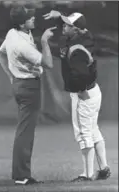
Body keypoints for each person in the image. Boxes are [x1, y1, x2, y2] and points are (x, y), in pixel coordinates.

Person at [43, 10, 111, 182]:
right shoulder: (81, 38)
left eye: (68, 25)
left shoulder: (77, 48)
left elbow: (81, 74)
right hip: (93, 91)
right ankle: (103, 168)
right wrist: (59, 17)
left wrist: (81, 92)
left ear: (77, 30)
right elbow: (72, 30)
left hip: (84, 92)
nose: (64, 26)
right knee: (93, 130)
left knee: (83, 133)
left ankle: (87, 175)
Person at [0, 5, 56, 185]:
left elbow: (0, 54)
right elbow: (48, 63)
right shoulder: (22, 45)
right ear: (22, 23)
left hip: (20, 83)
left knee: (25, 131)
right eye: (30, 18)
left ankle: (21, 173)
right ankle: (22, 176)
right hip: (28, 86)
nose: (33, 19)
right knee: (25, 132)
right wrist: (45, 42)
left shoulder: (12, 33)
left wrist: (11, 76)